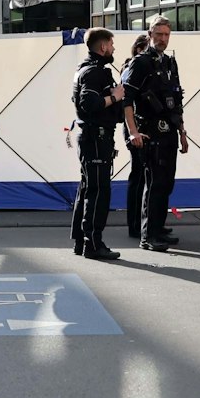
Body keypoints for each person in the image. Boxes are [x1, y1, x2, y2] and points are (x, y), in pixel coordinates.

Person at [122, 17, 188, 252]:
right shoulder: (140, 63)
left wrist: (182, 132)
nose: (162, 39)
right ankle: (148, 235)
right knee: (154, 185)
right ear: (150, 34)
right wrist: (133, 131)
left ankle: (158, 229)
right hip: (150, 131)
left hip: (169, 131)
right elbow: (126, 99)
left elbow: (176, 100)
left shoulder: (169, 62)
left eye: (166, 34)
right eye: (158, 34)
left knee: (166, 183)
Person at [70, 28, 129, 260]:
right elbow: (88, 103)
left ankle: (81, 241)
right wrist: (115, 97)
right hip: (96, 138)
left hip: (92, 137)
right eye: (111, 44)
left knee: (88, 188)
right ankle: (93, 244)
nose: (113, 48)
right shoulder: (95, 72)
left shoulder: (85, 69)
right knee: (98, 192)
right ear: (103, 46)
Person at [120, 33, 152, 243]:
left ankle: (149, 222)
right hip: (136, 129)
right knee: (139, 176)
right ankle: (135, 224)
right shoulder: (132, 68)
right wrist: (133, 130)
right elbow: (127, 101)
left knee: (147, 177)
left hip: (145, 128)